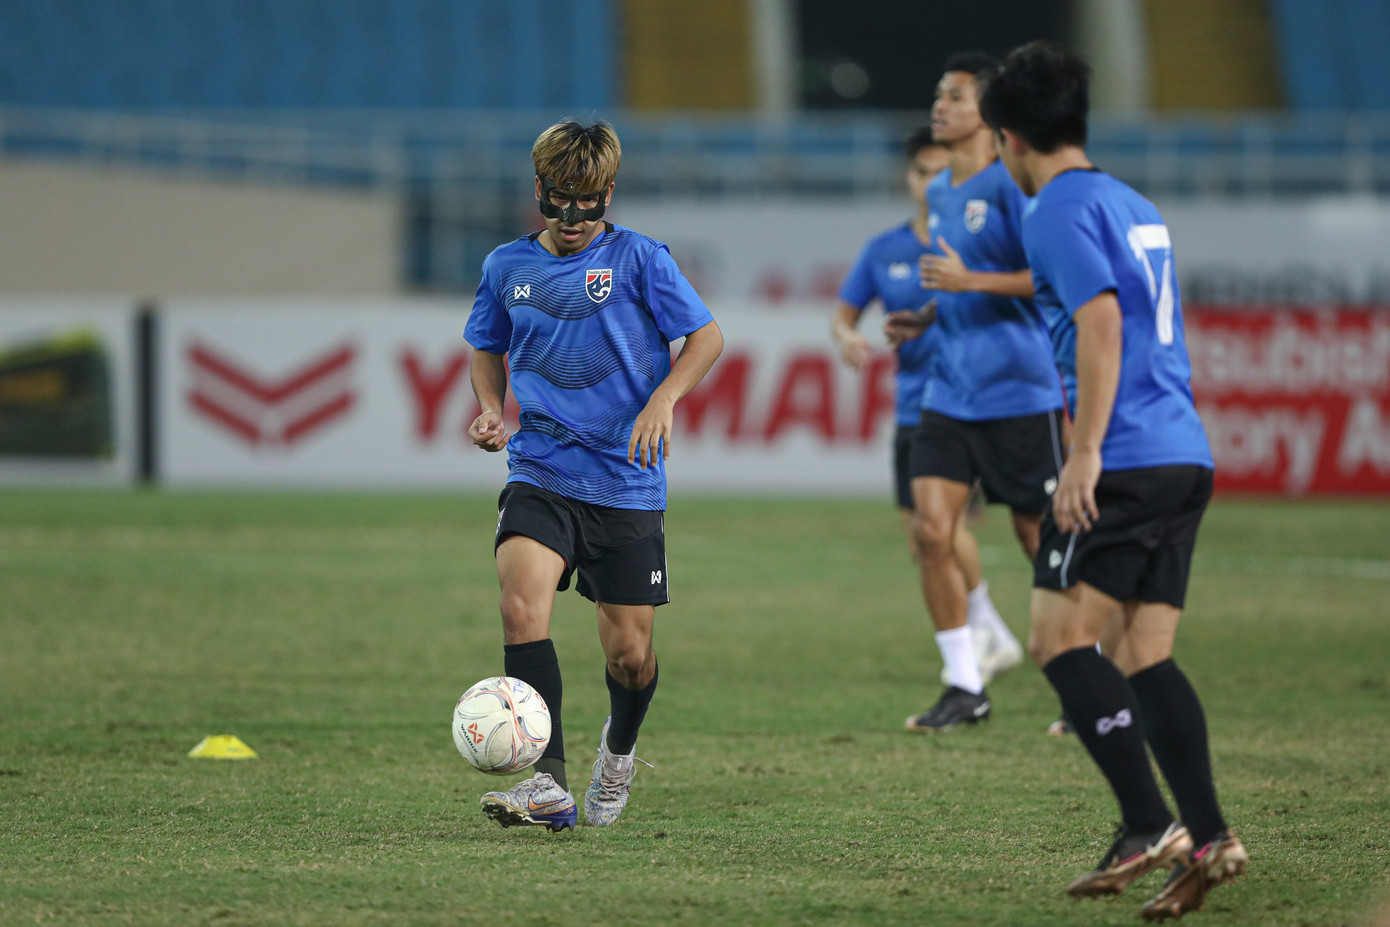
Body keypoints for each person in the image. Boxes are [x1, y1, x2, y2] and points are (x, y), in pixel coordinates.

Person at [980, 41, 1247, 919]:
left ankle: (1147, 822)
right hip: (1182, 450)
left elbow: (1100, 326)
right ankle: (1209, 836)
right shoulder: (1131, 200)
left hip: (1123, 455)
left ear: (1010, 137)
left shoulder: (1054, 208)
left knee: (1058, 638)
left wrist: (1084, 454)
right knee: (1144, 654)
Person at [464, 119, 724, 832]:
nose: (572, 218)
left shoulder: (641, 259)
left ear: (607, 193)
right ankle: (548, 784)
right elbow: (487, 344)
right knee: (521, 607)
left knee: (631, 656)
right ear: (539, 190)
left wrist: (663, 399)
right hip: (541, 469)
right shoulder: (505, 267)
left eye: (586, 202)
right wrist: (491, 409)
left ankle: (619, 750)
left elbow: (706, 336)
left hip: (626, 482)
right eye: (558, 200)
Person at [885, 52, 1065, 732]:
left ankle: (1089, 668)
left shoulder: (1017, 188)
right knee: (932, 530)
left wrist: (970, 285)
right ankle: (965, 682)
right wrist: (925, 317)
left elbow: (1049, 281)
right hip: (950, 393)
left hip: (1020, 393)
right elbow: (957, 283)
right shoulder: (940, 195)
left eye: (954, 95)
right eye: (939, 91)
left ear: (987, 113)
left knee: (1038, 538)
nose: (940, 104)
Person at [831, 126, 1022, 690]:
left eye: (941, 171)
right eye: (921, 171)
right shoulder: (886, 248)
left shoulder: (976, 239)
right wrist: (845, 336)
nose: (930, 182)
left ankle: (990, 635)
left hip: (982, 398)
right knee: (924, 530)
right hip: (918, 404)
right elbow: (844, 312)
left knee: (943, 525)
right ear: (908, 178)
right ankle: (989, 633)